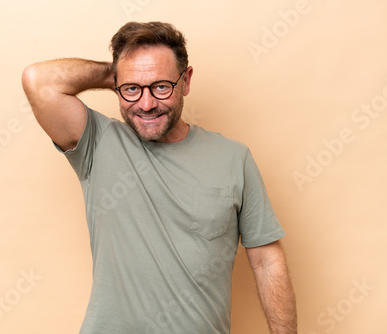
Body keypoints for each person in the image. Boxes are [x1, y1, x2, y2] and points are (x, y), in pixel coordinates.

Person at [22, 21, 297, 334]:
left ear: (186, 81)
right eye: (131, 89)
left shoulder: (234, 158)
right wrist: (116, 73)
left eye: (161, 86)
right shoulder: (98, 143)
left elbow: (266, 260)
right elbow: (38, 81)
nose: (146, 103)